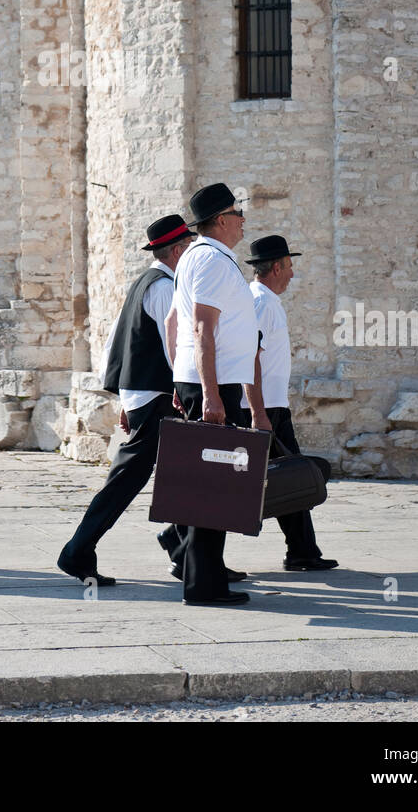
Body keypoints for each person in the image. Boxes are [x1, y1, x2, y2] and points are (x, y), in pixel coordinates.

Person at [57, 215, 195, 586]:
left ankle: (186, 550)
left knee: (181, 475)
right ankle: (77, 551)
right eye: (190, 249)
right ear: (178, 250)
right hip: (160, 398)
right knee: (126, 481)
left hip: (145, 396)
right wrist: (181, 391)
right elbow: (174, 348)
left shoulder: (144, 283)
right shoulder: (165, 287)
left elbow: (114, 344)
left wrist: (126, 398)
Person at [165, 183, 258, 606]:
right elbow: (202, 328)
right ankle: (204, 586)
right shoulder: (213, 261)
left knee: (207, 484)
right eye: (238, 213)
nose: (243, 220)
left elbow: (174, 323)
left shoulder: (198, 257)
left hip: (203, 380)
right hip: (212, 384)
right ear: (221, 219)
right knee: (213, 486)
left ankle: (203, 576)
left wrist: (181, 378)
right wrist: (210, 394)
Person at [244, 234, 337, 572]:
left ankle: (303, 551)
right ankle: (180, 538)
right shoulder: (261, 303)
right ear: (277, 267)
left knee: (289, 477)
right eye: (291, 267)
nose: (293, 274)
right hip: (264, 409)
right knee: (274, 479)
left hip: (272, 407)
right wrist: (258, 413)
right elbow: (248, 357)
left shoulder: (265, 300)